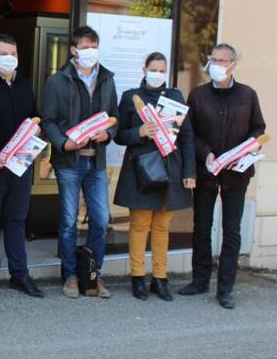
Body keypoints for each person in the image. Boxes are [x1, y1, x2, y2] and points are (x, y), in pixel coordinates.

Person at [178, 44, 266, 309]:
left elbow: (258, 128)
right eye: (213, 59)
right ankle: (200, 280)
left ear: (234, 64)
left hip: (237, 174)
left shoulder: (248, 95)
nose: (216, 64)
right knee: (202, 227)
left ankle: (225, 287)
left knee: (231, 231)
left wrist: (247, 149)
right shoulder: (197, 95)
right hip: (207, 171)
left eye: (222, 60)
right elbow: (190, 133)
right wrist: (205, 154)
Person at [41, 25, 118, 299]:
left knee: (100, 220)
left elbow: (115, 119)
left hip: (95, 163)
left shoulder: (107, 79)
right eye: (84, 47)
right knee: (68, 222)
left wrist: (107, 133)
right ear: (73, 50)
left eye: (93, 46)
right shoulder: (58, 80)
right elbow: (48, 120)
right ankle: (71, 276)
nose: (90, 52)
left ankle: (93, 275)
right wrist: (63, 143)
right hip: (69, 162)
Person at [113, 52, 196, 301]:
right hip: (141, 170)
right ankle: (138, 277)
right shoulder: (131, 98)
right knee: (139, 227)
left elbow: (187, 136)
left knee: (162, 227)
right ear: (144, 69)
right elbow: (118, 135)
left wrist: (189, 172)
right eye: (154, 69)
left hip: (170, 169)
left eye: (162, 70)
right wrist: (138, 132)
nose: (157, 74)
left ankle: (160, 279)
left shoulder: (175, 97)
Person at [0, 34, 42, 297]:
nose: (9, 58)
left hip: (21, 164)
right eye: (4, 53)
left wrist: (37, 130)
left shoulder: (24, 84)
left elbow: (36, 116)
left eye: (13, 54)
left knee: (17, 220)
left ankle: (19, 274)